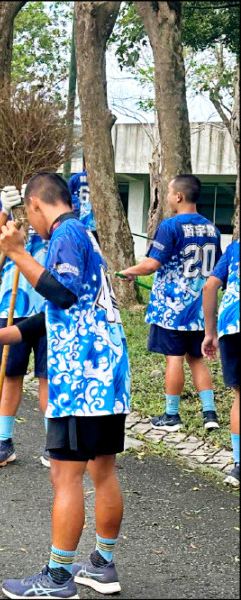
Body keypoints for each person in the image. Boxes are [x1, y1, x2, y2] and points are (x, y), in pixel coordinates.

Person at [0, 172, 130, 599]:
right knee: (102, 471)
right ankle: (102, 566)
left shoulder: (66, 233)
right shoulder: (82, 235)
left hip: (82, 378)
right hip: (107, 375)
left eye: (30, 216)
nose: (30, 225)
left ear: (36, 204)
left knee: (65, 474)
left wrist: (16, 253)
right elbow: (49, 318)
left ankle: (57, 578)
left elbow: (62, 294)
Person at [120, 174, 221, 432]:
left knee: (174, 359)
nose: (166, 197)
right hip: (199, 311)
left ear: (178, 196)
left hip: (171, 310)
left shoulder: (170, 226)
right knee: (196, 359)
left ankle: (171, 415)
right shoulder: (213, 229)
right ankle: (210, 414)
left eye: (167, 192)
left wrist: (129, 271)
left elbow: (153, 264)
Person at [0, 184, 50, 468]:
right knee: (10, 374)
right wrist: (4, 210)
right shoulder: (10, 215)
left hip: (50, 307)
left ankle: (53, 444)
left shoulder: (55, 208)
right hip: (13, 304)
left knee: (48, 376)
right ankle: (4, 441)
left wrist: (40, 206)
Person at [202, 238, 239, 487]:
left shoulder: (235, 247)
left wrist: (209, 332)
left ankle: (238, 466)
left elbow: (210, 286)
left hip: (232, 326)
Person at [67, 158, 98, 244]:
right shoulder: (100, 179)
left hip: (79, 221)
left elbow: (66, 197)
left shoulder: (74, 178)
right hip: (95, 224)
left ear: (84, 166)